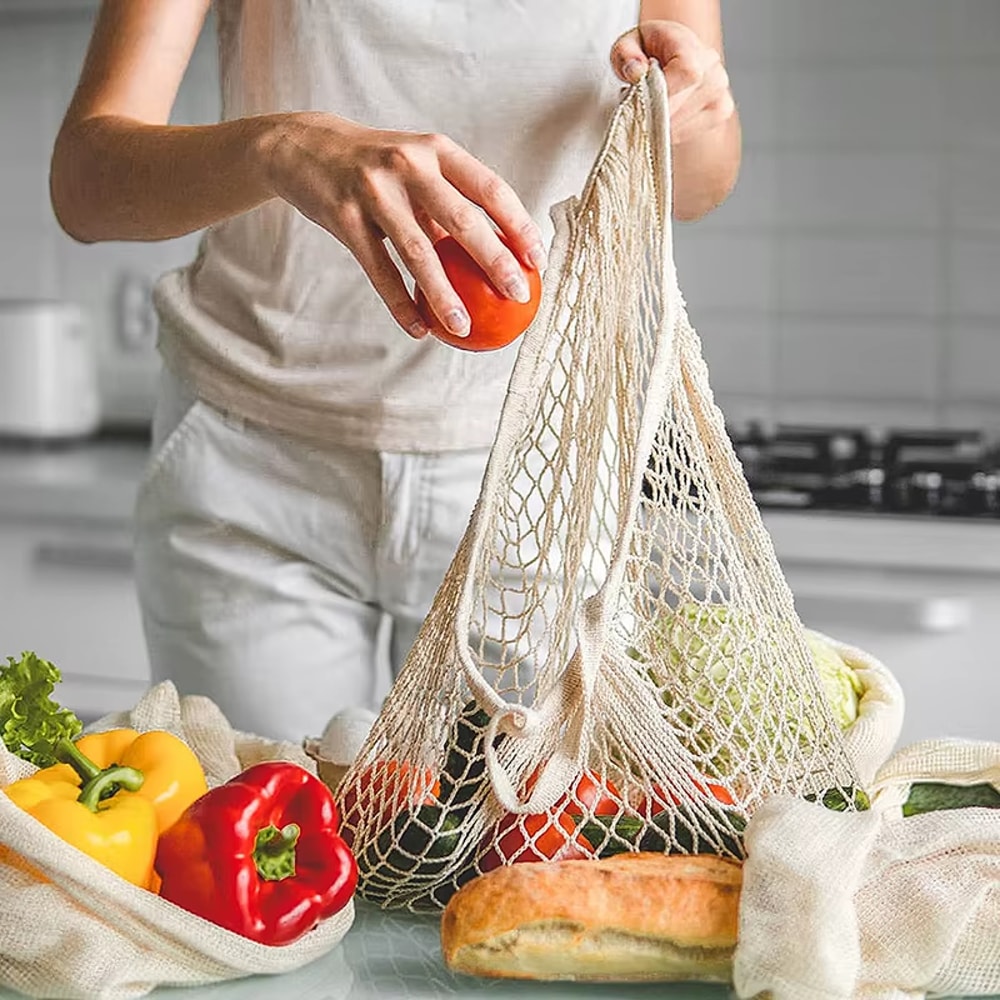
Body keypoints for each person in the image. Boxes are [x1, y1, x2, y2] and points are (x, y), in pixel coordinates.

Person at [50, 1, 741, 743]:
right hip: (255, 467)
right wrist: (279, 145)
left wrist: (699, 108)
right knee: (264, 841)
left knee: (520, 849)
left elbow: (697, 186)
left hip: (544, 476)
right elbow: (85, 181)